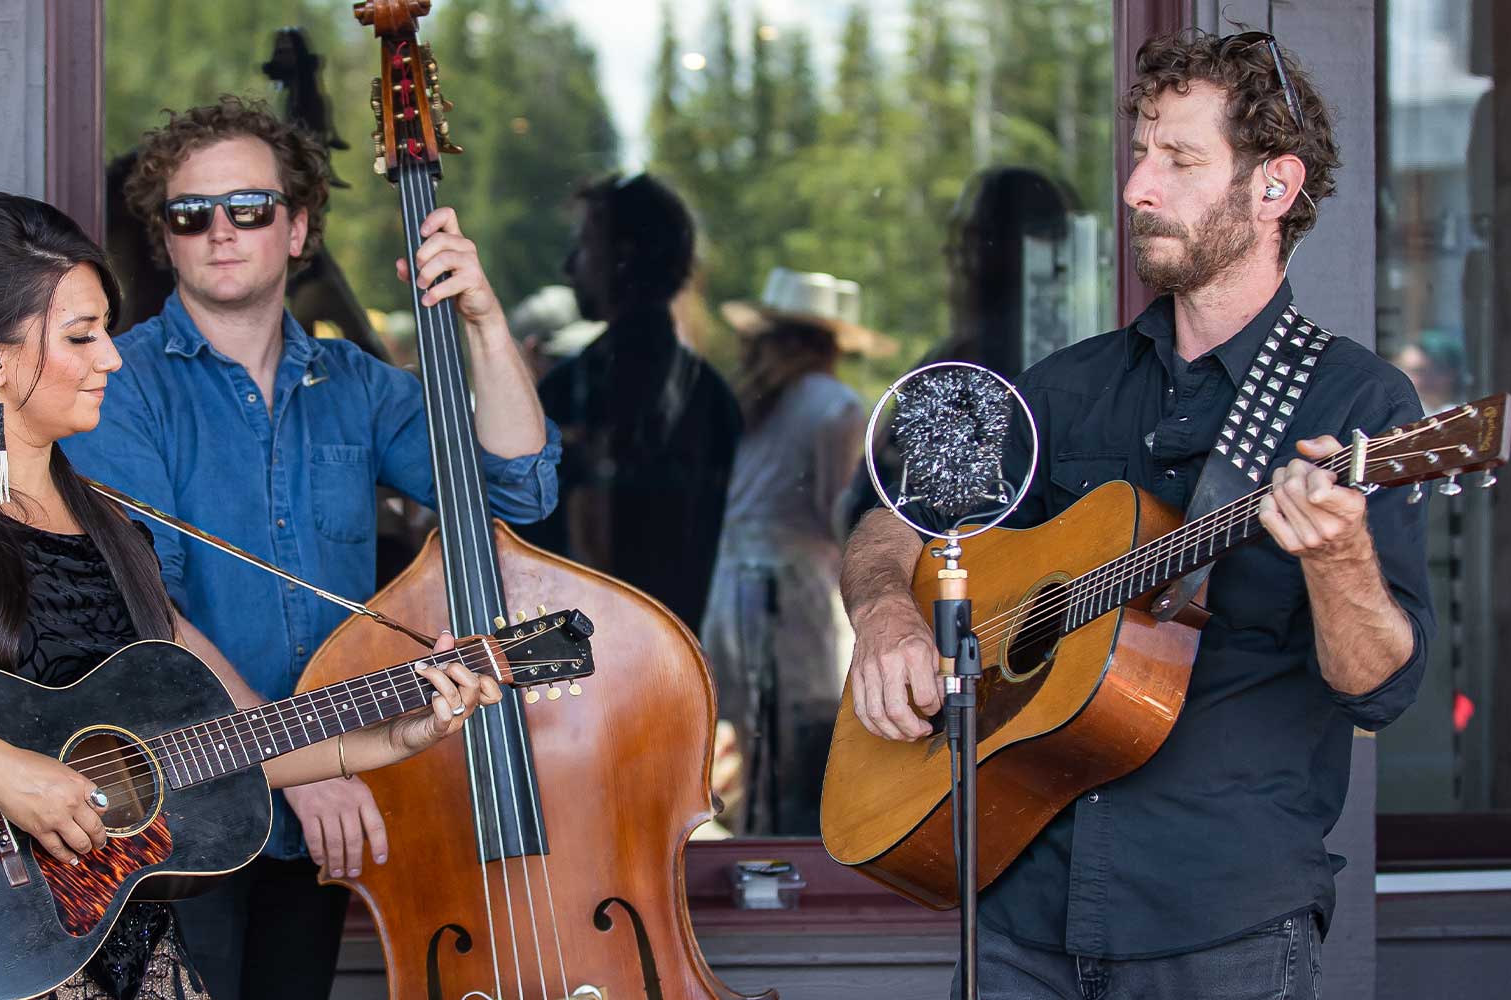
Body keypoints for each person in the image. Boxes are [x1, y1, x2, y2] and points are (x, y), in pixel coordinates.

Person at [0, 190, 506, 1000]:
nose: (112, 358)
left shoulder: (113, 528)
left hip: (121, 940)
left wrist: (398, 732)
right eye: (81, 337)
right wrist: (8, 773)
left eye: (106, 334)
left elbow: (226, 734)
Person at [838, 32, 1432, 999]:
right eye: (1141, 153)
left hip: (1221, 925)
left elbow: (1379, 691)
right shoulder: (1062, 387)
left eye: (1180, 160)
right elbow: (890, 523)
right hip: (1017, 909)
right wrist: (885, 616)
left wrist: (1339, 558)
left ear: (1274, 187)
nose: (1136, 189)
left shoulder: (1358, 408)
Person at [61, 95, 557, 1000]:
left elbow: (517, 485)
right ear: (164, 237)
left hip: (331, 811)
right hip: (184, 806)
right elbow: (145, 613)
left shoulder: (358, 388)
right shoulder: (117, 389)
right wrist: (303, 766)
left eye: (249, 209)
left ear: (297, 230)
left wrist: (481, 321)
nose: (220, 231)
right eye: (190, 214)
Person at [700, 269, 890, 836]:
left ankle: (756, 841)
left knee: (753, 732)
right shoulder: (833, 405)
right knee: (797, 735)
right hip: (789, 588)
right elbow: (841, 512)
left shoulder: (756, 401)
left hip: (731, 582)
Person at [520, 173, 742, 635]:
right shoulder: (712, 396)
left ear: (624, 257)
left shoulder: (575, 388)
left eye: (584, 245)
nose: (568, 266)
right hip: (675, 656)